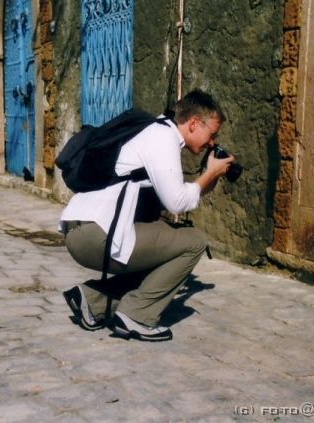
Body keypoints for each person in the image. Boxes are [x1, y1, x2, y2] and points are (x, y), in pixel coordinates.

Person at [60, 89, 235, 342]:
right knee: (194, 242)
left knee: (165, 246)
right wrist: (208, 174)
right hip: (96, 235)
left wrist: (208, 179)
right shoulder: (163, 138)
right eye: (213, 134)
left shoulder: (154, 130)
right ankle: (137, 316)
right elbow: (176, 203)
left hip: (82, 230)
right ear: (194, 123)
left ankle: (92, 300)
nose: (212, 142)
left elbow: (178, 196)